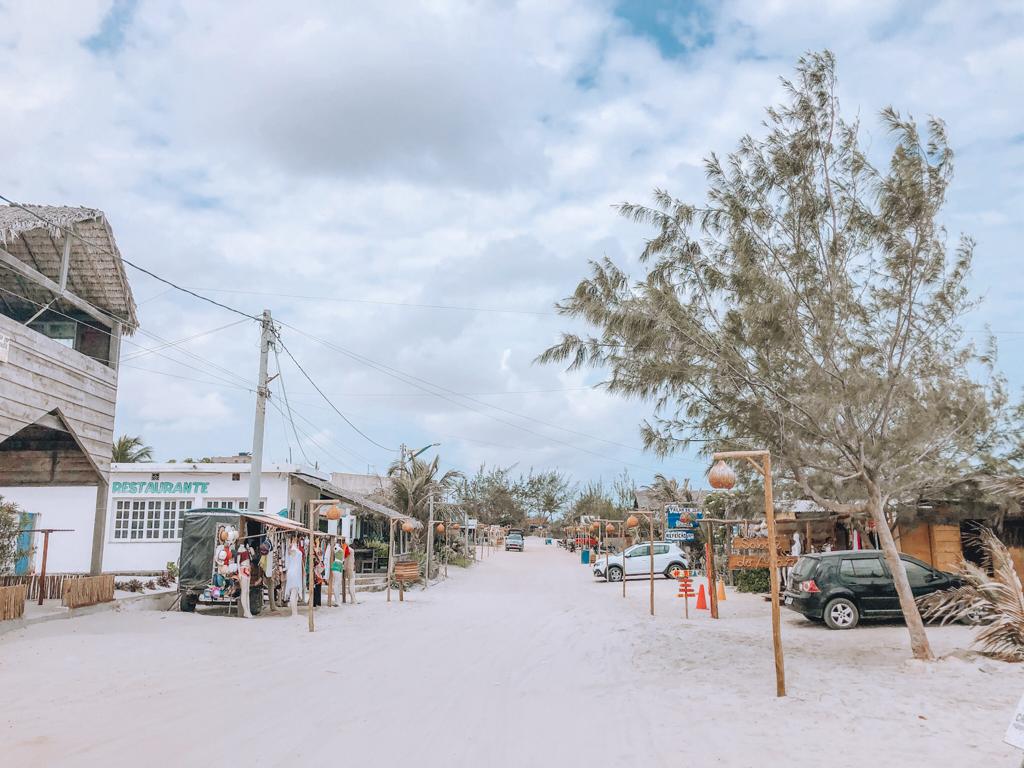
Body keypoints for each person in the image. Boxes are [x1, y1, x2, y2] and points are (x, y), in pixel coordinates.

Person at [341, 536, 358, 604]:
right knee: (351, 584)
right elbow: (352, 560)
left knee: (350, 584)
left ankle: (353, 599)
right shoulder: (350, 550)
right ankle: (353, 599)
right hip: (350, 568)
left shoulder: (344, 549)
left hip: (346, 568)